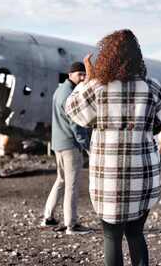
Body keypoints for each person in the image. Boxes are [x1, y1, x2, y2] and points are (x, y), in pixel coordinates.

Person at [66, 29, 161, 266]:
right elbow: (159, 124)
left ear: (107, 56)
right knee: (135, 234)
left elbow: (72, 110)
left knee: (111, 236)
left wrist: (89, 80)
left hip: (107, 177)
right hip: (142, 175)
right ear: (137, 57)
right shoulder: (153, 87)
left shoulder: (97, 87)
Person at [41, 61, 93, 235]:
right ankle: (72, 225)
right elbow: (76, 124)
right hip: (70, 144)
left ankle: (48, 217)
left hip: (58, 143)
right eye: (80, 74)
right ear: (70, 75)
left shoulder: (59, 91)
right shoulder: (70, 94)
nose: (83, 77)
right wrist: (87, 146)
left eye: (84, 74)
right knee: (71, 184)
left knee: (61, 180)